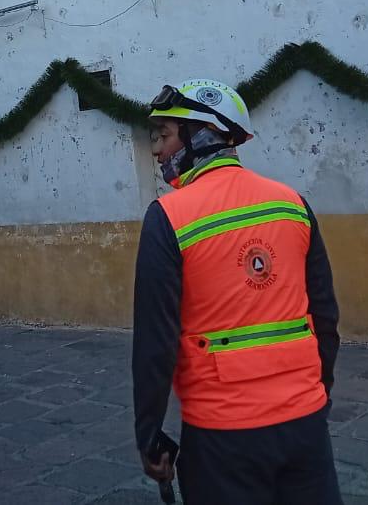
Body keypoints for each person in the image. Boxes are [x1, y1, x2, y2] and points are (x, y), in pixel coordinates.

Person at [132, 78, 341, 504]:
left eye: (165, 136)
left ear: (201, 137)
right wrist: (317, 394)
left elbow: (155, 343)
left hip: (221, 436)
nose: (157, 151)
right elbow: (325, 317)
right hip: (305, 426)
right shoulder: (292, 204)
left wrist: (149, 435)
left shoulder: (168, 217)